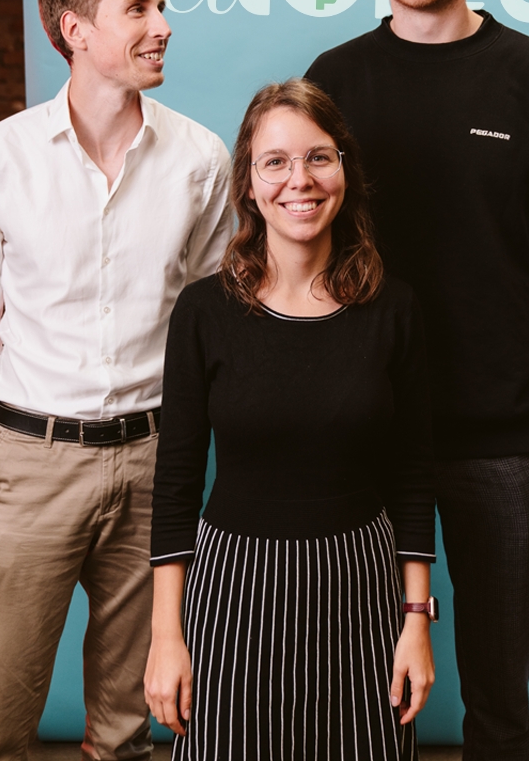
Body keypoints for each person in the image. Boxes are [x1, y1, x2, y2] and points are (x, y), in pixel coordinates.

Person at [306, 0, 529, 761]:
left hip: (500, 436)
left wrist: (499, 343)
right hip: (365, 429)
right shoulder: (335, 79)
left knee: (499, 703)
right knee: (358, 687)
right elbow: (308, 232)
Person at [0, 0, 232, 761]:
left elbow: (209, 318)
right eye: (138, 9)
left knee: (129, 725)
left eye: (160, 6)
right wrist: (23, 428)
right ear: (75, 29)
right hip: (32, 462)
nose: (163, 25)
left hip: (155, 463)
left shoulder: (200, 160)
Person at [144, 79, 437, 761]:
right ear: (248, 183)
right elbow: (177, 480)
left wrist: (415, 621)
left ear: (344, 171)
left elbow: (413, 474)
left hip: (358, 586)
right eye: (274, 161)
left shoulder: (395, 310)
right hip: (233, 588)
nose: (298, 180)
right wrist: (166, 635)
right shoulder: (203, 313)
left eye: (318, 158)